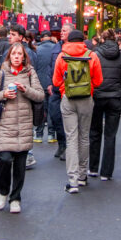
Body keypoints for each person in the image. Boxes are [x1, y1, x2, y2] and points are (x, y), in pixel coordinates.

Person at [0, 42, 44, 213]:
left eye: (20, 54)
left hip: (24, 124)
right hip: (6, 124)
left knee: (20, 165)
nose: (17, 57)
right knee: (4, 160)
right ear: (9, 56)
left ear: (24, 57)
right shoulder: (1, 74)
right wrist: (3, 94)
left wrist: (26, 90)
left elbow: (40, 95)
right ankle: (3, 192)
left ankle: (15, 198)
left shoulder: (30, 73)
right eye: (14, 54)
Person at [52, 29, 103, 193]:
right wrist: (89, 87)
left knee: (71, 138)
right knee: (84, 136)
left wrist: (64, 88)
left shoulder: (62, 56)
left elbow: (56, 81)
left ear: (68, 40)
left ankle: (72, 181)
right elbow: (99, 80)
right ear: (83, 40)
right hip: (86, 99)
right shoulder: (92, 56)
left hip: (68, 98)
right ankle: (82, 175)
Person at [89, 29, 121, 180]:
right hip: (114, 97)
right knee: (110, 135)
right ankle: (106, 172)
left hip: (98, 96)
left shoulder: (95, 54)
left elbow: (91, 75)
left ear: (102, 40)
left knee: (95, 132)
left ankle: (93, 167)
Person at [48, 24, 71, 160]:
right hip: (56, 89)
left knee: (68, 120)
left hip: (69, 89)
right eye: (61, 30)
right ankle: (62, 144)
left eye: (64, 31)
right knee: (55, 116)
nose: (61, 32)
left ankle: (68, 147)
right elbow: (50, 66)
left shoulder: (74, 47)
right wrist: (50, 83)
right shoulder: (56, 47)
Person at [34, 30, 57, 143]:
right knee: (52, 110)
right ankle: (51, 135)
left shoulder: (37, 49)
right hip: (53, 83)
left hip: (40, 83)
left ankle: (39, 134)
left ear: (42, 38)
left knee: (41, 109)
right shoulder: (56, 49)